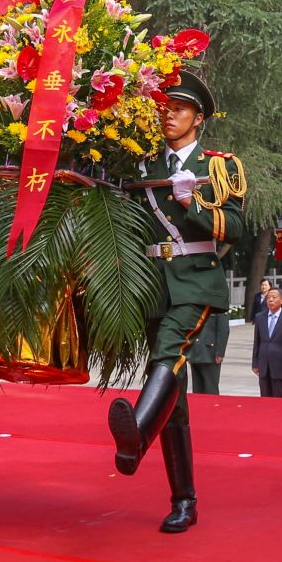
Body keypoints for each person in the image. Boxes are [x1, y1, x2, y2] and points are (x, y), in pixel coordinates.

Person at [104, 70, 246, 533]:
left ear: (198, 118)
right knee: (173, 395)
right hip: (153, 283)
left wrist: (193, 204)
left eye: (179, 109)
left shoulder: (219, 166)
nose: (169, 116)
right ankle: (184, 500)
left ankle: (137, 434)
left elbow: (236, 228)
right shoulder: (142, 166)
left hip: (195, 280)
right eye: (164, 109)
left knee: (167, 354)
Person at [251, 283, 282, 397]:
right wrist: (255, 362)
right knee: (265, 398)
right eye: (268, 297)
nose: (270, 300)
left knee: (280, 399)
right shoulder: (260, 317)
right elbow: (257, 342)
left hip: (281, 366)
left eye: (274, 297)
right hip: (264, 365)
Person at [185, 305, 230, 395]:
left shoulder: (217, 308)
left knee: (210, 388)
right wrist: (189, 351)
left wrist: (220, 353)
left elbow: (223, 331)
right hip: (195, 352)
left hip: (210, 353)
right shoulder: (194, 307)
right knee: (197, 389)